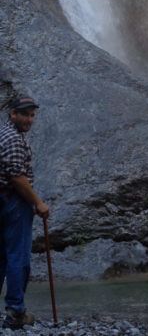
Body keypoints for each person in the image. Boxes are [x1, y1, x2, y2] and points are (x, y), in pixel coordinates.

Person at [0, 96, 49, 329]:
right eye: (24, 114)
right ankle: (16, 311)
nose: (29, 119)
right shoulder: (14, 140)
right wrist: (39, 203)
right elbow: (17, 178)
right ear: (12, 114)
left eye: (32, 115)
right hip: (13, 202)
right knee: (18, 257)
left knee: (1, 257)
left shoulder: (3, 133)